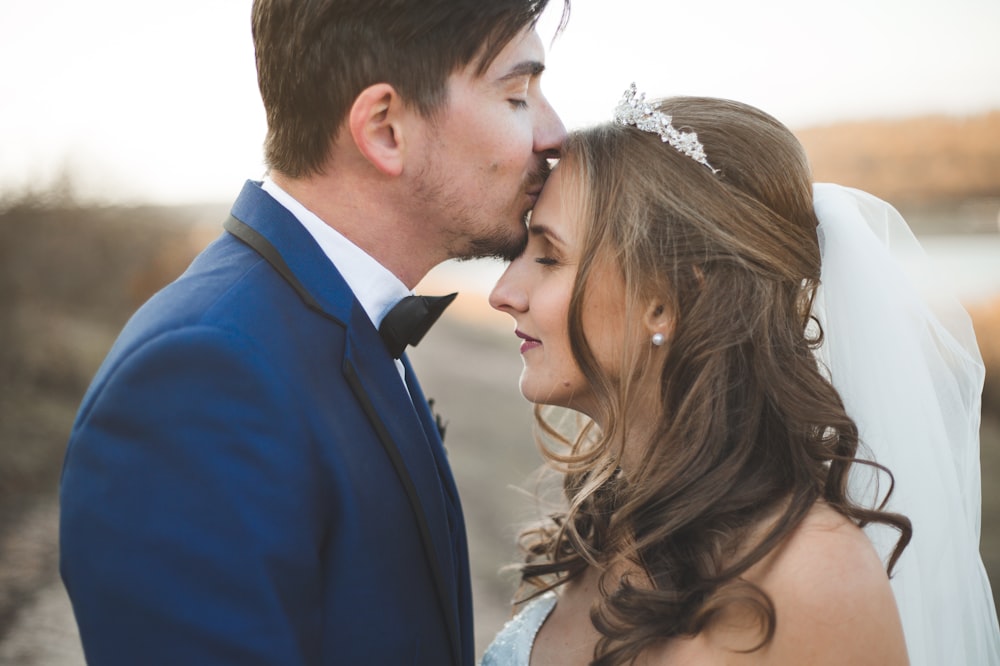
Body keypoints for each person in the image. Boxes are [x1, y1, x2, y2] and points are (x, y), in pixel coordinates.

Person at [58, 1, 568, 664]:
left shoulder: (331, 312)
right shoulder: (200, 380)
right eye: (518, 94)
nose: (555, 133)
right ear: (385, 128)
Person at [484, 86, 1000, 665]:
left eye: (548, 257)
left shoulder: (811, 579)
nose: (503, 294)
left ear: (672, 298)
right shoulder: (605, 527)